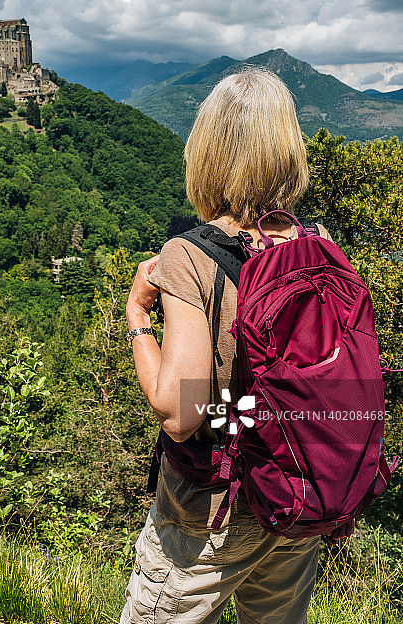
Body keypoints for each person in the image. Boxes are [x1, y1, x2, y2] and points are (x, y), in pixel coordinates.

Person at [120, 67, 352, 624]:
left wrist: (136, 317)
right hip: (298, 497)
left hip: (211, 515)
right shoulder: (319, 248)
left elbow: (180, 410)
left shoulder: (190, 257)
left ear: (209, 152)